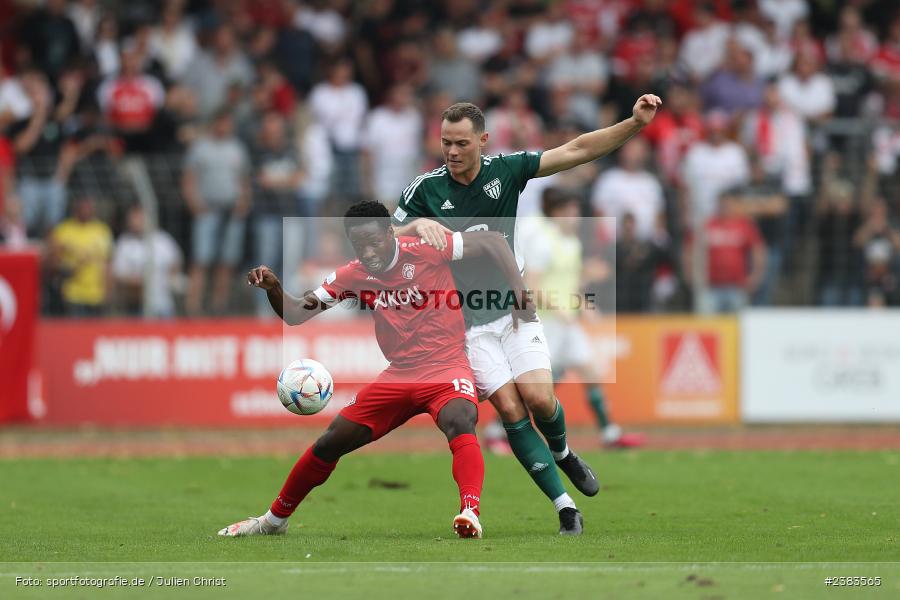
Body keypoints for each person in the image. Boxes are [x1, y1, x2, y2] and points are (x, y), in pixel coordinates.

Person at [392, 94, 662, 533]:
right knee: (511, 412)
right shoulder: (424, 189)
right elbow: (382, 239)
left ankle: (563, 453)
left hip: (515, 309)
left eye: (461, 143)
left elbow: (575, 150)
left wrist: (633, 123)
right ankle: (565, 506)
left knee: (539, 399)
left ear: (483, 140)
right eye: (446, 143)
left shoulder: (506, 170)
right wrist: (411, 226)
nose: (453, 152)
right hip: (468, 325)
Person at [219, 201, 538, 539]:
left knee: (460, 420)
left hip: (446, 366)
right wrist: (274, 288)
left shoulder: (428, 249)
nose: (368, 251)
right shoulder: (352, 274)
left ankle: (470, 512)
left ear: (390, 233)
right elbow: (297, 313)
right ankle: (273, 521)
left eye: (374, 241)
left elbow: (492, 242)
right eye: (359, 245)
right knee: (330, 443)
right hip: (399, 375)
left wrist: (519, 296)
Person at [527, 191, 645, 448]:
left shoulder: (572, 244)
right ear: (556, 213)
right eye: (569, 210)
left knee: (590, 371)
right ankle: (500, 430)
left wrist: (583, 303)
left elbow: (570, 283)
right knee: (543, 384)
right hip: (547, 322)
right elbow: (531, 285)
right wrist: (558, 307)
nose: (575, 217)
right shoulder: (542, 242)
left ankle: (609, 433)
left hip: (567, 323)